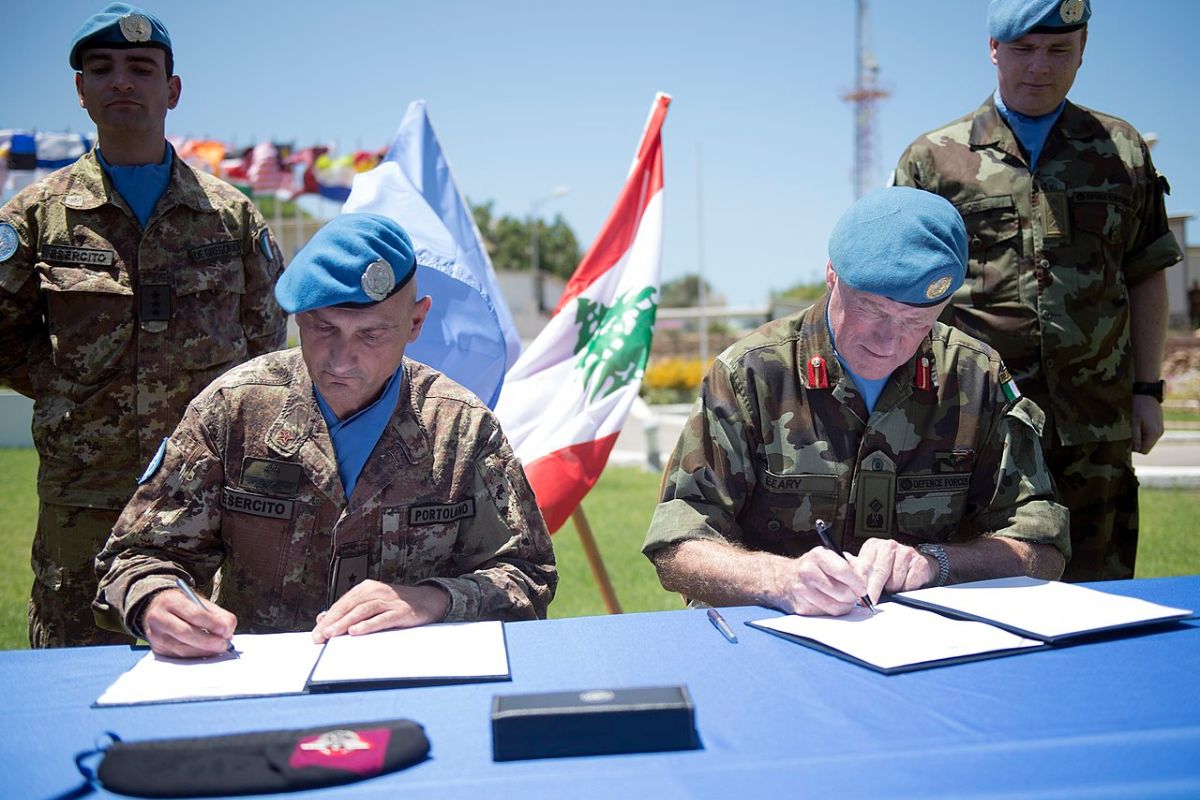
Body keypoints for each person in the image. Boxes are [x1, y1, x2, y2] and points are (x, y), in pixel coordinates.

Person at [94, 213, 556, 658]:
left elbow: (527, 576)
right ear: (299, 319)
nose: (340, 359)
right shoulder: (234, 410)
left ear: (416, 323)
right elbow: (134, 557)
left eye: (371, 335)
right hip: (257, 684)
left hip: (410, 685)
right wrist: (154, 600)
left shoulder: (461, 428)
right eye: (323, 328)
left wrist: (434, 600)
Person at [0, 4, 286, 647]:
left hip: (207, 497)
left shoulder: (230, 216)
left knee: (211, 659)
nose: (121, 81)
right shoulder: (35, 219)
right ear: (81, 91)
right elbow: (3, 337)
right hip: (86, 495)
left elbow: (266, 339)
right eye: (101, 69)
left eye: (140, 68)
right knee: (75, 674)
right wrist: (73, 388)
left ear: (172, 90)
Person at [642, 188, 1068, 617]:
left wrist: (935, 564)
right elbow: (677, 544)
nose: (888, 342)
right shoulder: (751, 375)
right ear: (832, 274)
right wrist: (780, 580)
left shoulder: (976, 378)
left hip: (926, 645)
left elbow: (1042, 546)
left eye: (916, 322)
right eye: (872, 309)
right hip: (772, 634)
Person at [893, 0, 1182, 581]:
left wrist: (1146, 389)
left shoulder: (1119, 149)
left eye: (1058, 50)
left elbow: (1146, 271)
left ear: (1082, 52)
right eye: (1023, 49)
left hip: (1093, 424)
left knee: (1099, 596)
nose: (1040, 67)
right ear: (994, 51)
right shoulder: (935, 160)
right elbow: (902, 294)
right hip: (974, 422)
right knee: (975, 592)